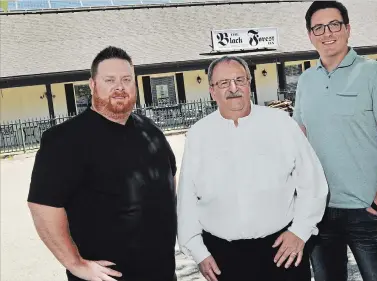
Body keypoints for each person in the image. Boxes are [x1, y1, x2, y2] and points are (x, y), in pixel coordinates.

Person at [27, 46, 178, 281]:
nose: (119, 87)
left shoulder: (152, 132)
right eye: (110, 80)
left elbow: (170, 181)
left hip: (162, 273)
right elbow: (42, 207)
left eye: (126, 79)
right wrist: (75, 264)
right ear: (93, 85)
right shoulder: (64, 140)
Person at [177, 56, 328, 281]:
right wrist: (198, 251)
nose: (233, 88)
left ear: (249, 83)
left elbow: (313, 183)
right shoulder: (199, 135)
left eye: (240, 79)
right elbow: (187, 199)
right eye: (223, 83)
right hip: (223, 258)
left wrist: (300, 231)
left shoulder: (281, 124)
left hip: (282, 251)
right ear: (212, 91)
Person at [293, 2, 377, 281]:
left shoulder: (375, 74)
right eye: (318, 27)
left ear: (347, 29)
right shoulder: (306, 81)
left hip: (366, 212)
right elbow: (300, 144)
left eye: (334, 24)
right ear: (310, 35)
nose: (327, 33)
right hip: (320, 213)